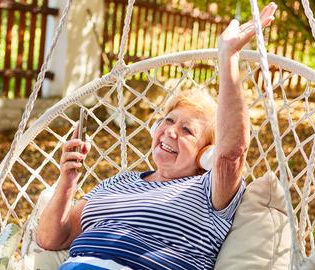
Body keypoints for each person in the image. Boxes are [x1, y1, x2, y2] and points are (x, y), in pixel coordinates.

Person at [37, 3, 277, 269]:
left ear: (207, 153)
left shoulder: (209, 191)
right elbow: (49, 239)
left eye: (187, 131)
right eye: (168, 120)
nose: (171, 131)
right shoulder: (115, 184)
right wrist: (67, 181)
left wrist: (229, 56)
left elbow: (232, 153)